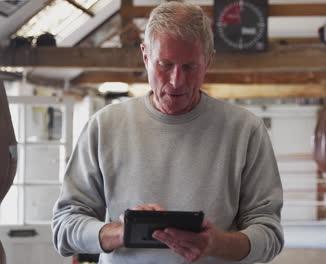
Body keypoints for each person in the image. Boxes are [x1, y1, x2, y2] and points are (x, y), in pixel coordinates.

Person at [52, 2, 284, 264]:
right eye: (165, 64)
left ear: (208, 61)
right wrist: (122, 231)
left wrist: (217, 244)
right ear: (145, 56)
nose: (176, 81)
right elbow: (63, 228)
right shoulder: (103, 126)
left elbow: (270, 235)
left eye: (189, 67)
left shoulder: (245, 130)